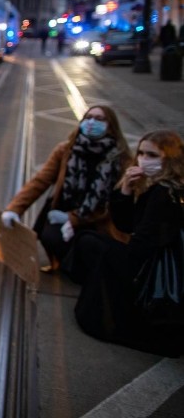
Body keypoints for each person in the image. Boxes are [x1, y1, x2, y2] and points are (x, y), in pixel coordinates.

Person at [71, 130, 184, 356]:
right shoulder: (163, 186)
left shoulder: (164, 192)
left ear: (169, 159)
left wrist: (115, 255)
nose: (143, 159)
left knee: (91, 243)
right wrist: (125, 190)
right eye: (141, 153)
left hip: (149, 265)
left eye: (152, 155)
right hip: (148, 257)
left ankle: (103, 309)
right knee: (90, 240)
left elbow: (141, 244)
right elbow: (126, 225)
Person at [1, 105, 131, 272]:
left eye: (99, 119)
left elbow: (114, 205)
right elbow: (40, 181)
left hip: (98, 219)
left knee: (90, 249)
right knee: (51, 237)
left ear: (111, 126)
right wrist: (14, 209)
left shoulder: (122, 159)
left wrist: (73, 219)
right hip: (63, 211)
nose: (92, 122)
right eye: (88, 117)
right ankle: (66, 262)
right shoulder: (66, 149)